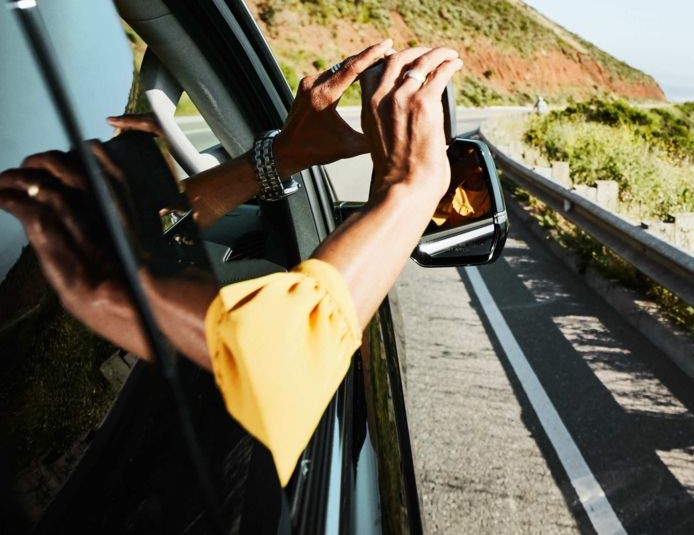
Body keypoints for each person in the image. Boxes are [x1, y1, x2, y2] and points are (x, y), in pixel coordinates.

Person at [0, 39, 463, 484]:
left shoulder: (57, 291)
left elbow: (155, 234)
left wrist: (280, 155)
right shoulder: (58, 329)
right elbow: (280, 359)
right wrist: (408, 186)